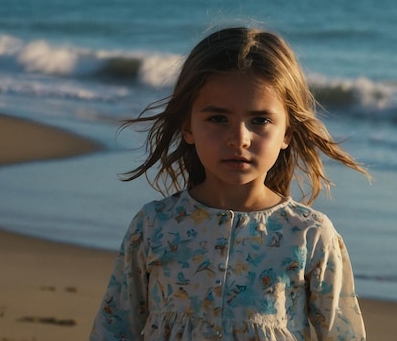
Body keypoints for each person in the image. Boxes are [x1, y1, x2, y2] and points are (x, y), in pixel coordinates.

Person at [90, 26, 370, 340]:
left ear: (287, 132)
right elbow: (114, 330)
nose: (239, 139)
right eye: (218, 119)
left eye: (260, 120)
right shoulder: (156, 226)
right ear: (188, 126)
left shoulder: (309, 235)